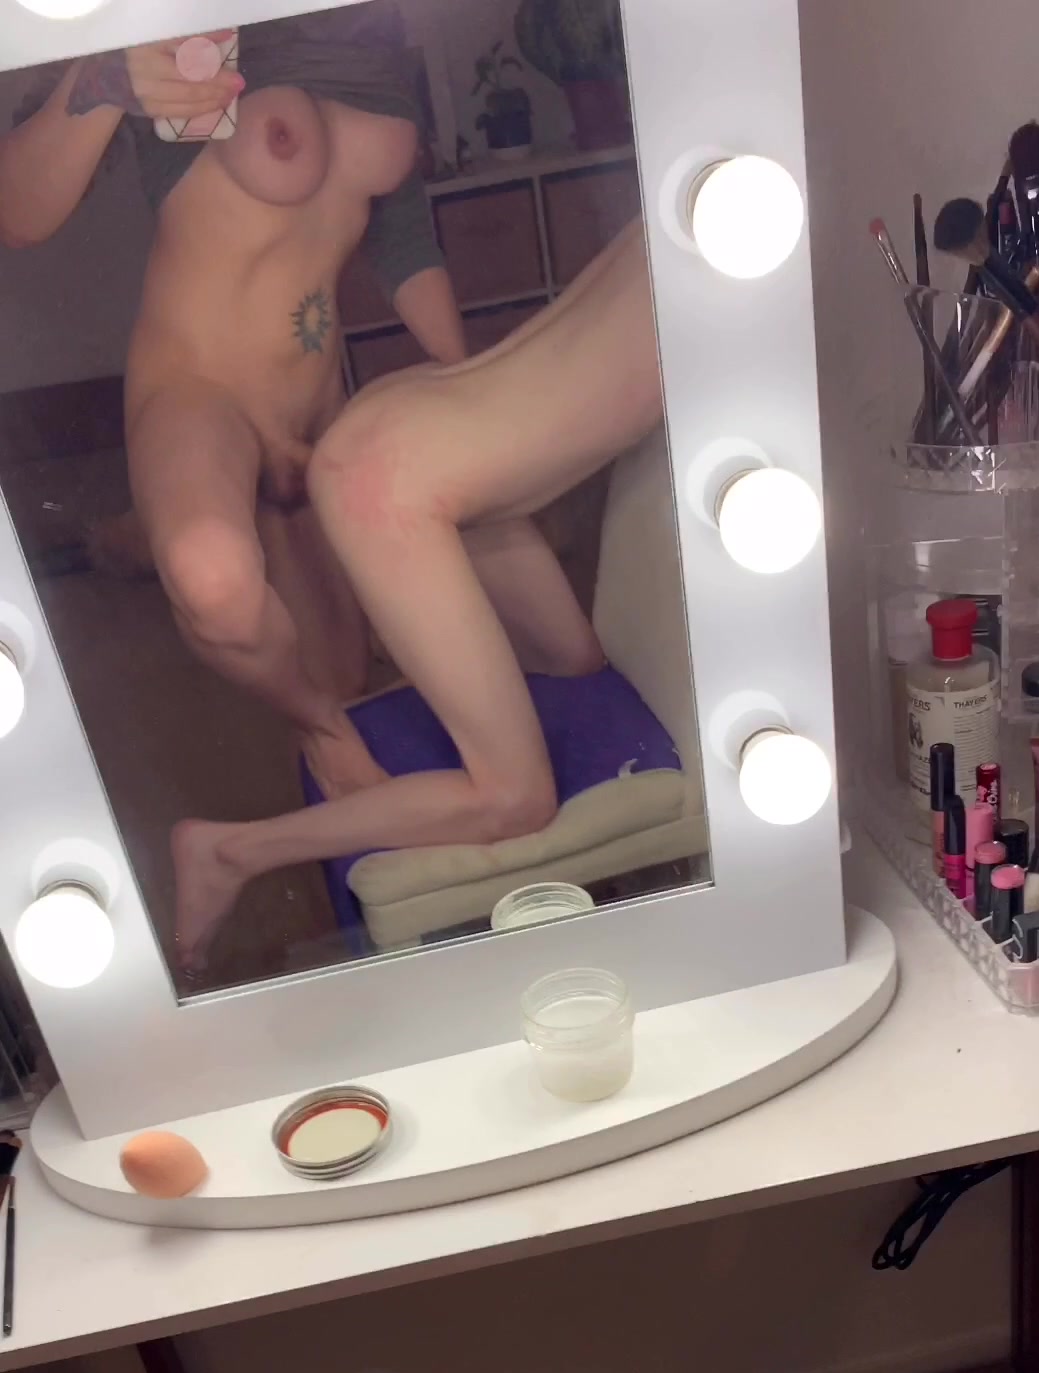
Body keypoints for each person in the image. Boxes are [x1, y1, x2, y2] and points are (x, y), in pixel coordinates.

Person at [0, 5, 588, 800]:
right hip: (200, 400)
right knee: (216, 584)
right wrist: (105, 79)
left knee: (412, 667)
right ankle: (319, 727)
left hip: (323, 415)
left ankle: (143, 542)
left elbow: (400, 235)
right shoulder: (181, 31)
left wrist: (466, 384)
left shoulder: (373, 30)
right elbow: (18, 213)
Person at [170, 217, 661, 967]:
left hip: (419, 425)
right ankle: (233, 851)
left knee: (574, 665)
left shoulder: (685, 209)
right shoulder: (738, 231)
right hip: (396, 483)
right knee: (517, 800)